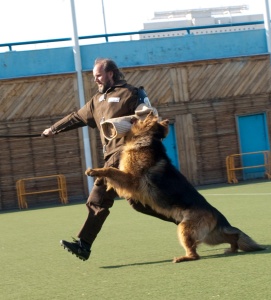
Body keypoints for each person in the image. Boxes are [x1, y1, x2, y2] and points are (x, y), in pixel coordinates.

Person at [42, 58, 176, 261]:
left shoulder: (131, 93)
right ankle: (182, 218)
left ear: (110, 74)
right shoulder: (96, 101)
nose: (95, 79)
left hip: (125, 154)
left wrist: (136, 122)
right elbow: (76, 117)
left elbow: (150, 119)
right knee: (138, 203)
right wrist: (53, 129)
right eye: (94, 76)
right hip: (111, 156)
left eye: (98, 75)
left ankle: (83, 245)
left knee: (98, 197)